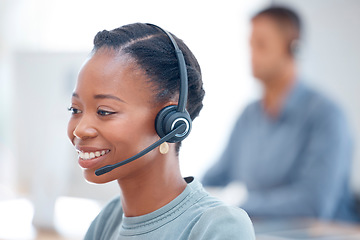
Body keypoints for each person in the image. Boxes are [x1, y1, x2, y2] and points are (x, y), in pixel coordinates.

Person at [67, 23, 255, 239]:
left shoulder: (218, 226)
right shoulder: (108, 219)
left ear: (170, 122)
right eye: (75, 109)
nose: (80, 130)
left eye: (104, 111)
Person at [202, 6, 360, 222]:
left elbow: (312, 204)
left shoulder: (326, 116)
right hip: (265, 231)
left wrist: (237, 204)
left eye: (262, 45)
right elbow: (215, 177)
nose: (252, 54)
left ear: (293, 49)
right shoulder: (249, 115)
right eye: (251, 45)